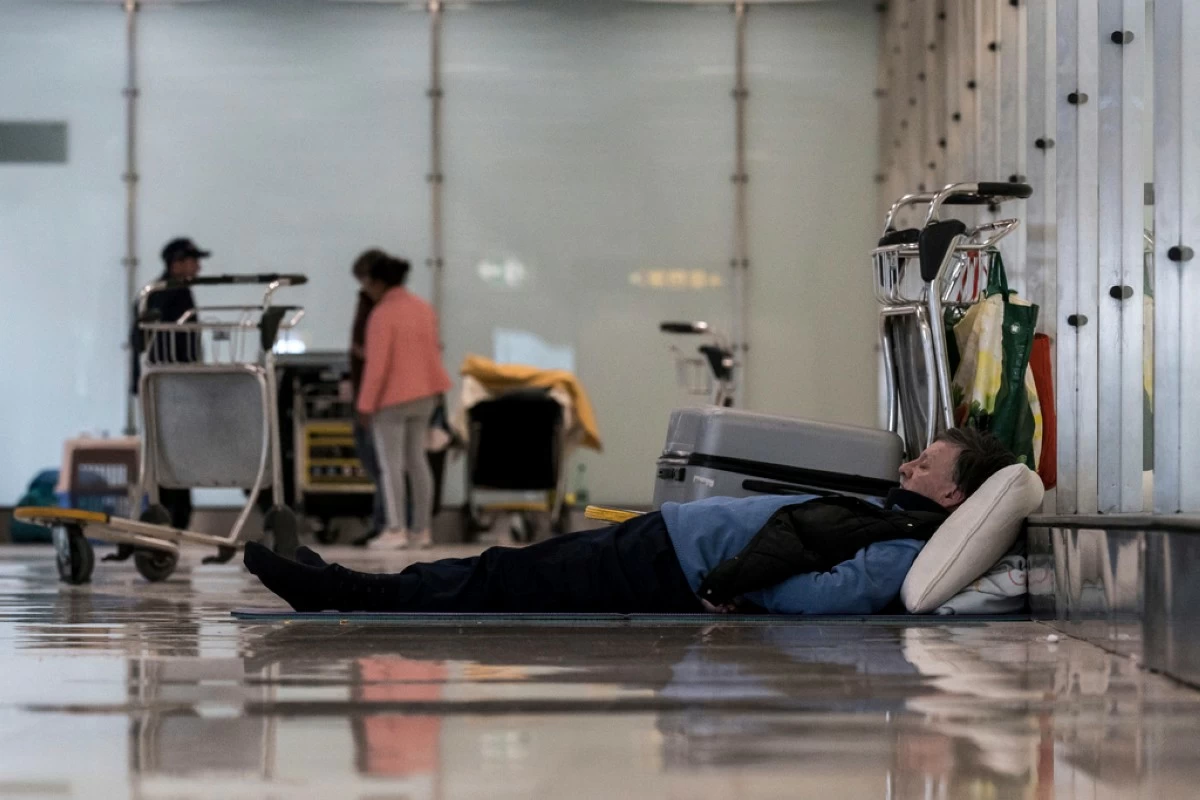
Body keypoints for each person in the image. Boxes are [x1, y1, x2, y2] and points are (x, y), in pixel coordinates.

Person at [245, 428, 1019, 614]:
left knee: (498, 579)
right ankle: (338, 581)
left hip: (670, 567)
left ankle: (333, 588)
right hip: (665, 545)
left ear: (955, 496)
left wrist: (731, 586)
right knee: (500, 575)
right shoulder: (891, 516)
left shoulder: (899, 547)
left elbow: (823, 595)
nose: (910, 466)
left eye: (927, 467)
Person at [355, 255, 453, 550]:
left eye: (368, 282)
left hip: (392, 400)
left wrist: (365, 404)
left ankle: (395, 528)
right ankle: (422, 530)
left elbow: (377, 366)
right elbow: (435, 351)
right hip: (425, 396)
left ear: (379, 282)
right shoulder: (423, 308)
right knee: (418, 462)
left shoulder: (382, 315)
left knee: (391, 465)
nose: (366, 288)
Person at [130, 237, 210, 531]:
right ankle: (171, 518)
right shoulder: (166, 293)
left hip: (166, 385)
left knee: (170, 453)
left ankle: (170, 518)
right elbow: (145, 341)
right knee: (172, 455)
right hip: (170, 387)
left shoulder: (161, 292)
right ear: (177, 263)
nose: (199, 267)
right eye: (193, 260)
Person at [346, 248, 389, 546]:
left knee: (383, 463)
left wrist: (365, 401)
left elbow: (376, 357)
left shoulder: (385, 308)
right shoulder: (369, 303)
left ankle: (387, 522)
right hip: (369, 390)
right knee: (379, 463)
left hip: (379, 395)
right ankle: (386, 521)